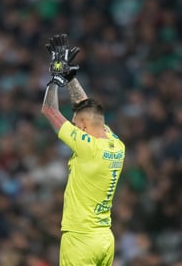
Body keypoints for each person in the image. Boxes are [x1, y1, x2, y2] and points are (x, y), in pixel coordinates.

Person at [41, 34, 126, 265]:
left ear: (85, 126)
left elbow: (49, 111)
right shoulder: (116, 144)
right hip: (104, 239)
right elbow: (86, 108)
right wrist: (70, 77)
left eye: (77, 125)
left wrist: (55, 81)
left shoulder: (88, 148)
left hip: (80, 240)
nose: (76, 128)